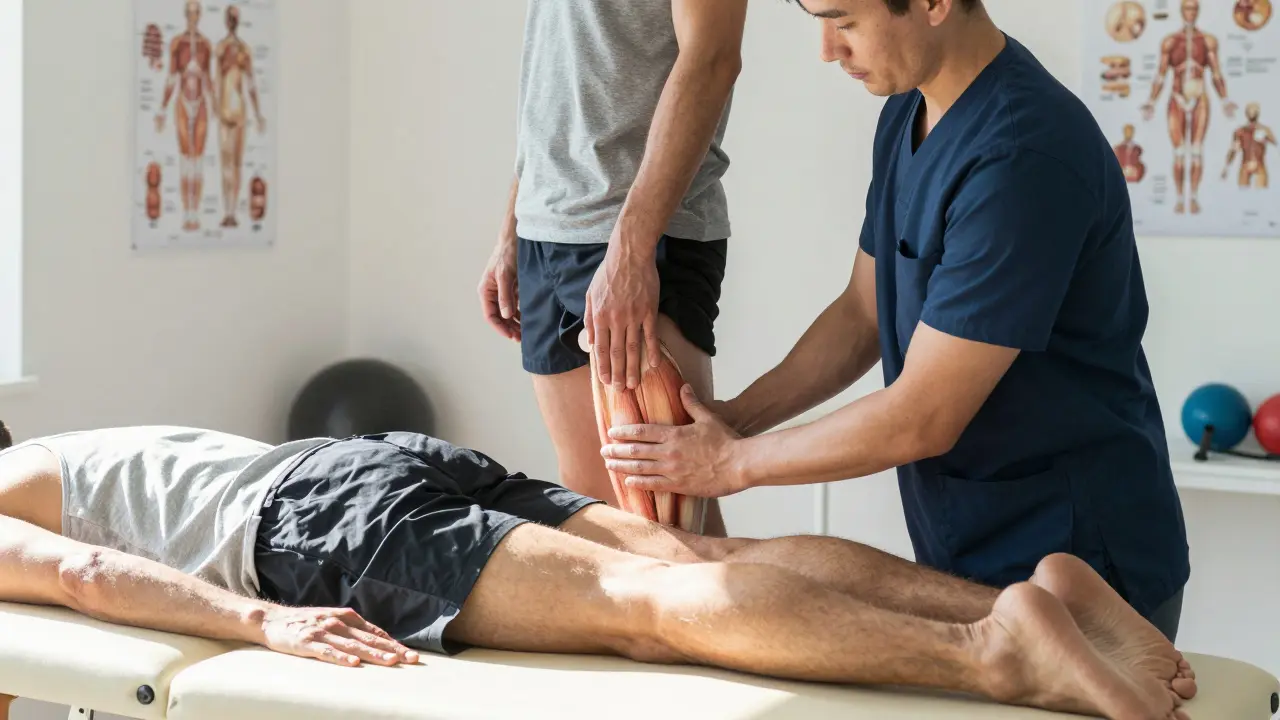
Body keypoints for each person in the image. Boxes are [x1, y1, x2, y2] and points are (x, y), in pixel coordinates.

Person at [597, 0, 1192, 643]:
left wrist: (734, 464)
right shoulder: (908, 113)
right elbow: (864, 312)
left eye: (844, 21)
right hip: (966, 549)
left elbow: (925, 414)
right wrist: (733, 420)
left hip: (1080, 553)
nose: (827, 49)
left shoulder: (1024, 155)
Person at [0, 423, 1194, 720]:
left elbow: (94, 580)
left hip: (316, 528)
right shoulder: (59, 447)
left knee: (643, 615)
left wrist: (261, 624)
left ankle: (994, 656)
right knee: (699, 553)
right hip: (356, 461)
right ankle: (1022, 603)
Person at [476, 1, 747, 536]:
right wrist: (512, 227)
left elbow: (712, 57)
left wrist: (631, 247)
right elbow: (557, 67)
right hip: (546, 228)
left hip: (636, 231)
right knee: (598, 524)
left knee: (673, 527)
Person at [1141, 0, 1236, 215]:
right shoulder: (1171, 42)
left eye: (1194, 9)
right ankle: (1178, 198)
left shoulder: (1208, 41)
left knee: (1195, 151)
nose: (1190, 13)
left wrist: (1225, 100)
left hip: (1200, 98)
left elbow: (1217, 73)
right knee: (1178, 152)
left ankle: (1192, 197)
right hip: (1177, 97)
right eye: (1187, 9)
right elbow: (1161, 74)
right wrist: (1151, 101)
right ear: (1181, 11)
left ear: (1198, 11)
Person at [156, 0, 217, 232]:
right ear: (185, 15)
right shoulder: (177, 44)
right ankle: (186, 212)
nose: (193, 17)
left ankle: (196, 211)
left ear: (200, 15)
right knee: (185, 159)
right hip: (182, 103)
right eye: (189, 13)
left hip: (200, 104)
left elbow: (208, 79)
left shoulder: (206, 45)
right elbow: (172, 78)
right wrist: (162, 109)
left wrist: (215, 105)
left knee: (198, 159)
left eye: (196, 13)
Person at [214, 4, 266, 228]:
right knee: (229, 164)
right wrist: (216, 107)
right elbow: (217, 80)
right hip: (228, 109)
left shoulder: (242, 50)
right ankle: (228, 211)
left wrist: (258, 113)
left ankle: (231, 212)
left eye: (234, 18)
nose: (232, 22)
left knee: (234, 164)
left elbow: (252, 84)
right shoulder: (222, 49)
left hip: (237, 111)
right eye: (231, 18)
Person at [1223, 102, 1275, 188]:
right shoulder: (1241, 131)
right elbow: (1234, 150)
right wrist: (1226, 167)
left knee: (1259, 194)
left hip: (1255, 165)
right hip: (1251, 165)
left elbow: (1234, 150)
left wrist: (1226, 167)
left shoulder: (1263, 130)